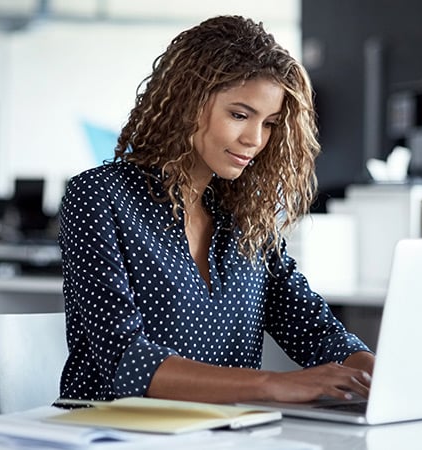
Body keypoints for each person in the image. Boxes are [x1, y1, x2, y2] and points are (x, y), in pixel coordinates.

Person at [58, 15, 375, 405]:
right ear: (185, 103)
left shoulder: (243, 216)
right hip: (111, 433)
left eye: (270, 123)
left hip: (225, 434)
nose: (255, 140)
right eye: (239, 115)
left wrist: (380, 376)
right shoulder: (99, 196)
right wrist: (272, 384)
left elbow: (314, 330)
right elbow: (127, 361)